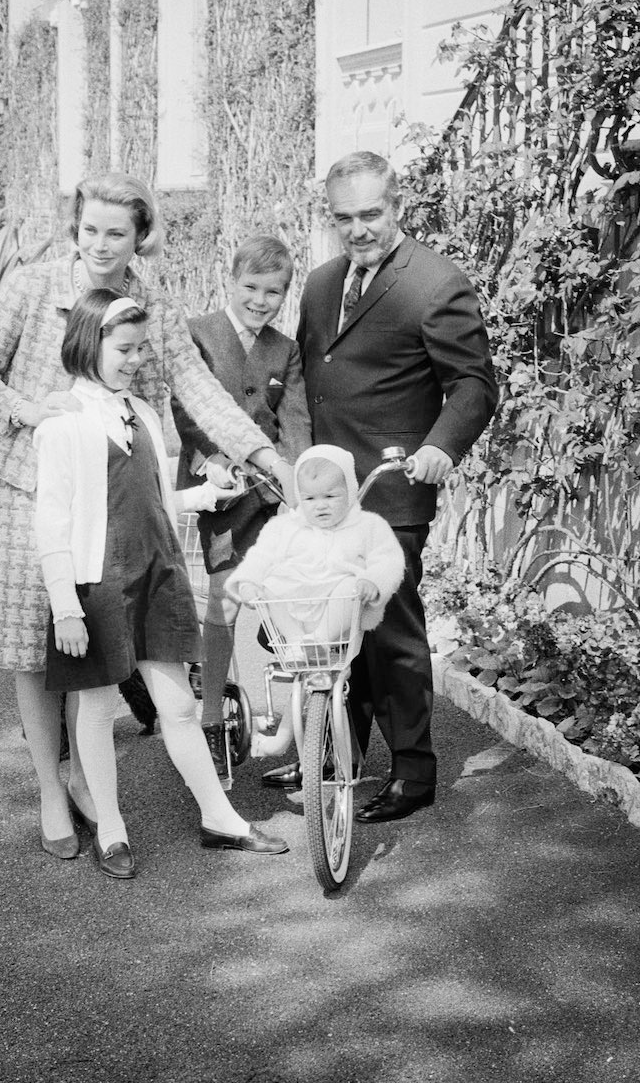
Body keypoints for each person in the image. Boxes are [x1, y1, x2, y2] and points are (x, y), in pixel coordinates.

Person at [0, 172, 296, 859]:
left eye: (118, 232)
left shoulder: (152, 303)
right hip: (23, 488)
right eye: (91, 229)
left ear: (140, 236)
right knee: (32, 651)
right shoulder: (30, 287)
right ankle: (52, 789)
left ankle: (86, 780)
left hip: (109, 498)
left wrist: (262, 453)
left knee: (91, 651)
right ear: (74, 227)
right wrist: (28, 410)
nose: (102, 244)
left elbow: (193, 384)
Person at [33, 290, 288, 878]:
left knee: (177, 703)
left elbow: (145, 501)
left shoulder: (142, 413)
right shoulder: (65, 421)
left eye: (142, 347)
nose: (136, 359)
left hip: (156, 575)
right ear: (87, 343)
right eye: (124, 348)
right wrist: (66, 605)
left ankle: (220, 818)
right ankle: (113, 831)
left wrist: (202, 497)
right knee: (95, 708)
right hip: (98, 585)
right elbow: (53, 519)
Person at [279, 150, 498, 821]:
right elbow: (304, 378)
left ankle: (413, 771)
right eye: (344, 217)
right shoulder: (320, 285)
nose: (358, 229)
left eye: (371, 213)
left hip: (392, 488)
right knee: (330, 621)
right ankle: (329, 754)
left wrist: (440, 447)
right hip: (324, 492)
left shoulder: (435, 283)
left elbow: (474, 384)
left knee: (387, 627)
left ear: (397, 206)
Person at [170, 233, 311, 787]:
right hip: (222, 490)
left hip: (273, 494)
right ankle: (210, 718)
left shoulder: (285, 348)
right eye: (251, 288)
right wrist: (209, 461)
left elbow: (294, 417)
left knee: (287, 602)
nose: (260, 300)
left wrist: (296, 476)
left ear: (284, 295)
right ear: (231, 281)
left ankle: (294, 717)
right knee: (225, 599)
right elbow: (186, 407)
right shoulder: (199, 334)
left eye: (272, 292)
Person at [227, 445, 405, 764]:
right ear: (299, 497)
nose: (320, 506)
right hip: (297, 623)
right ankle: (301, 645)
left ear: (349, 490)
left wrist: (373, 581)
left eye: (330, 497)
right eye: (310, 499)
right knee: (271, 584)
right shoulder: (286, 528)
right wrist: (250, 581)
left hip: (337, 622)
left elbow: (389, 559)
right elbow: (262, 555)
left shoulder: (367, 526)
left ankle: (314, 649)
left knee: (348, 585)